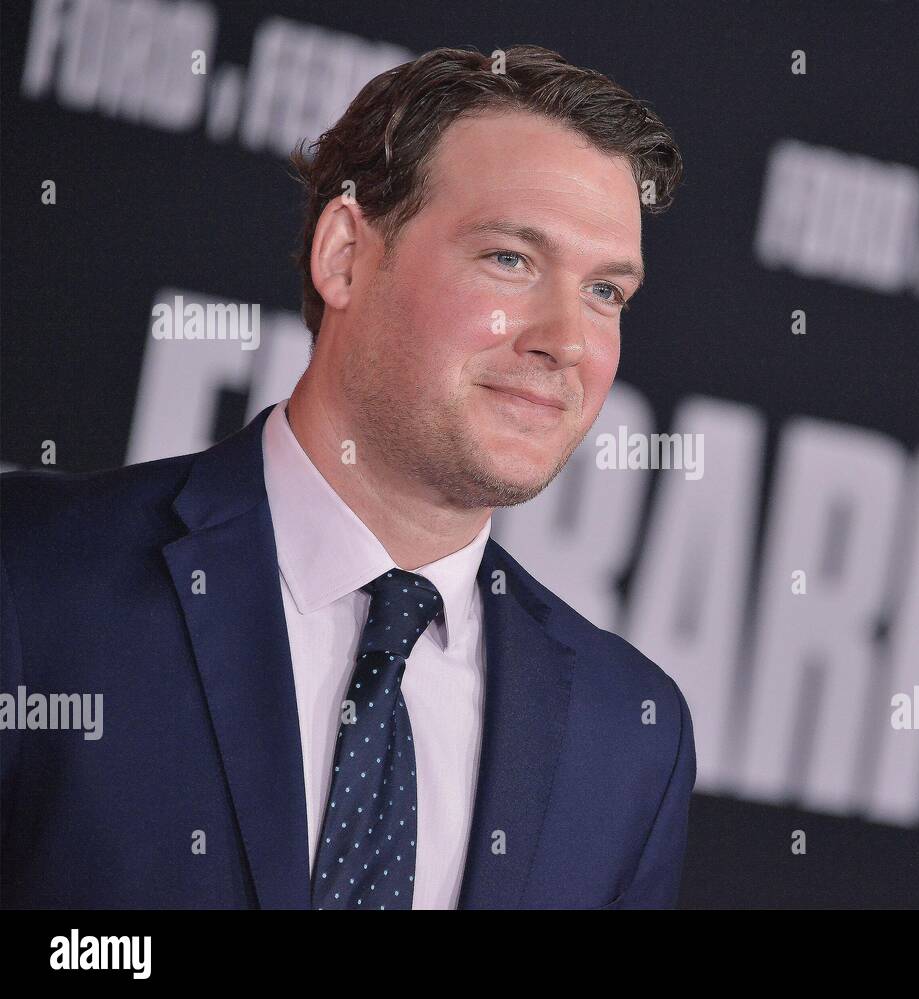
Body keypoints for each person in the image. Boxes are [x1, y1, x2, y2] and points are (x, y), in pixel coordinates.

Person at [0, 44, 694, 910]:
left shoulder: (628, 734)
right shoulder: (33, 577)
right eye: (511, 258)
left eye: (605, 291)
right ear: (345, 257)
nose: (569, 339)